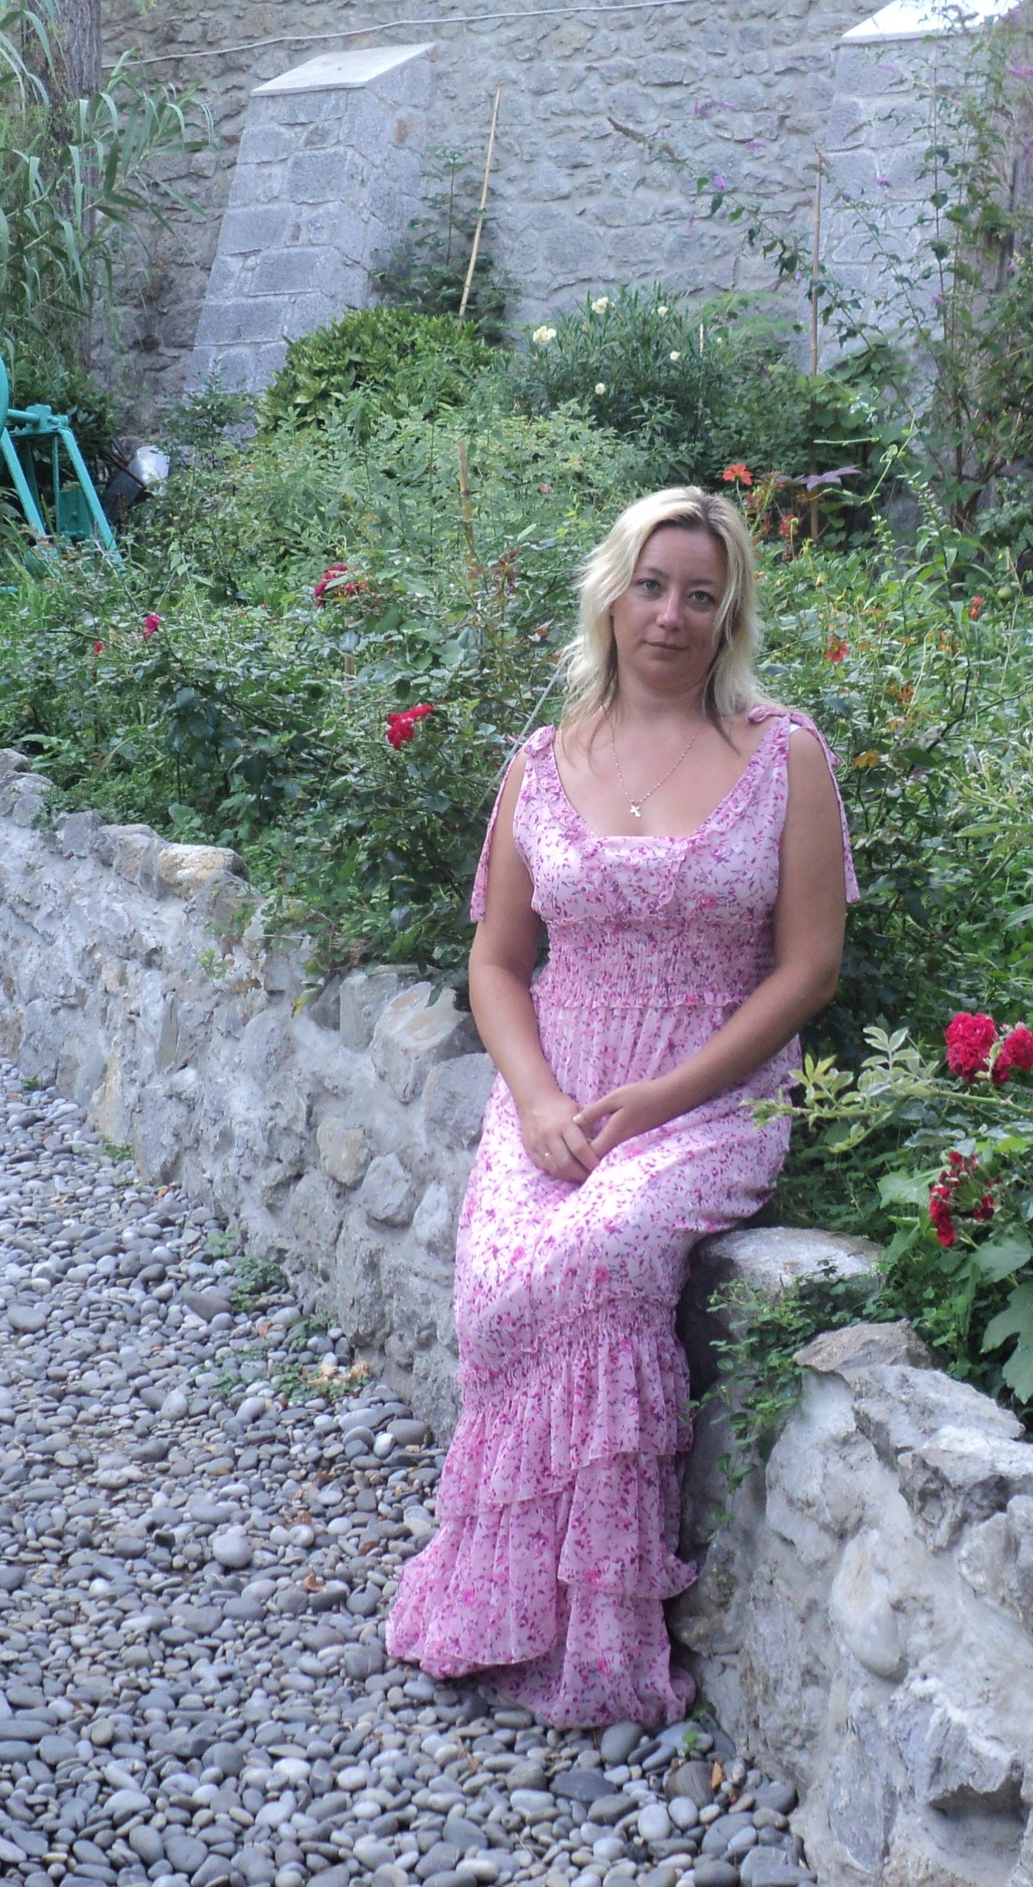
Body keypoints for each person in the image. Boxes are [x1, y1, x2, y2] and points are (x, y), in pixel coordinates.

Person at [384, 485, 856, 1726]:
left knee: (598, 1255)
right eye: (652, 586)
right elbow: (497, 964)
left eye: (702, 594)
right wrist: (538, 1101)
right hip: (559, 1092)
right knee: (499, 1289)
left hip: (708, 1096)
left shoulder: (783, 756)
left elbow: (808, 969)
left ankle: (595, 1636)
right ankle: (495, 1596)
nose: (671, 615)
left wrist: (662, 1099)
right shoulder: (541, 763)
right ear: (611, 594)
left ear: (730, 615)